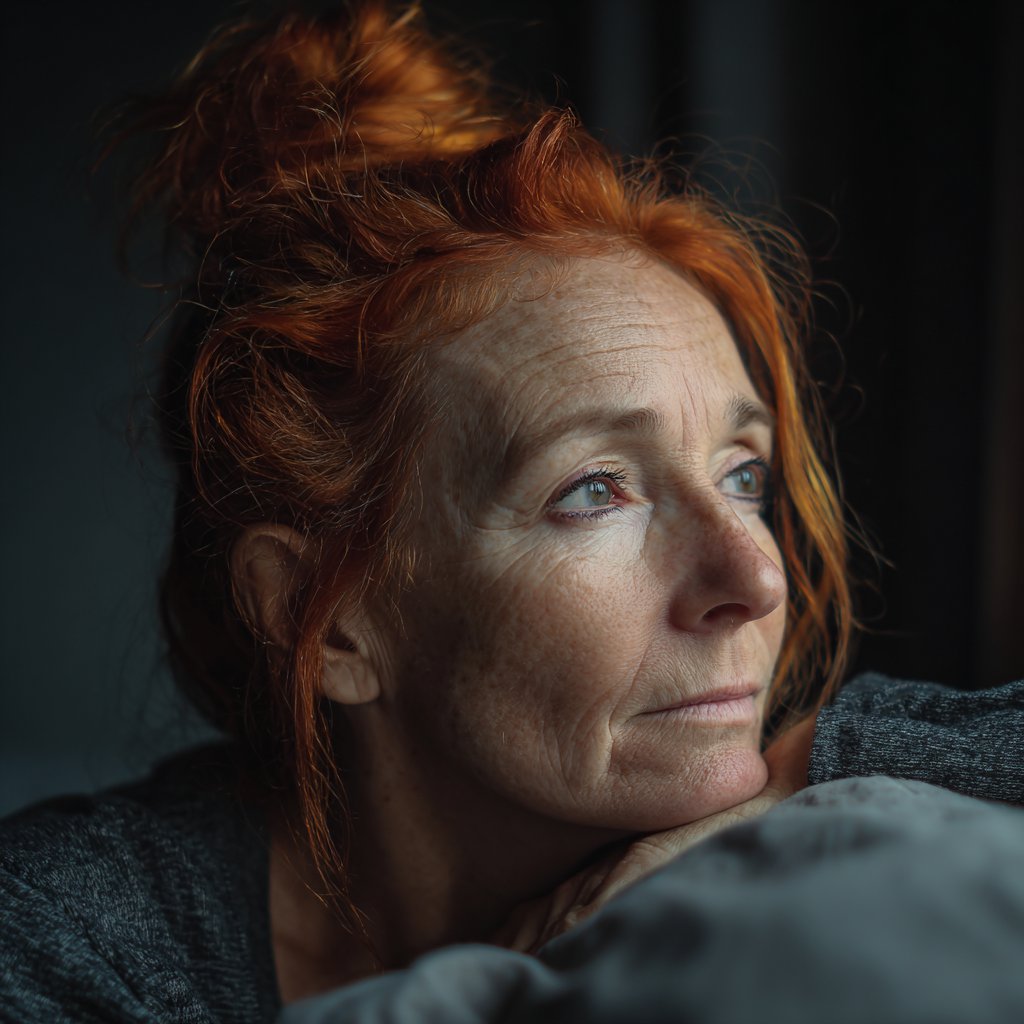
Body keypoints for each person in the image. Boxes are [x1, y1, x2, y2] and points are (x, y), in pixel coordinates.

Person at [1, 4, 1021, 1022]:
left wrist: (804, 763)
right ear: (330, 609)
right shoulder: (65, 940)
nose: (753, 578)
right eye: (595, 490)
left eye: (743, 473)